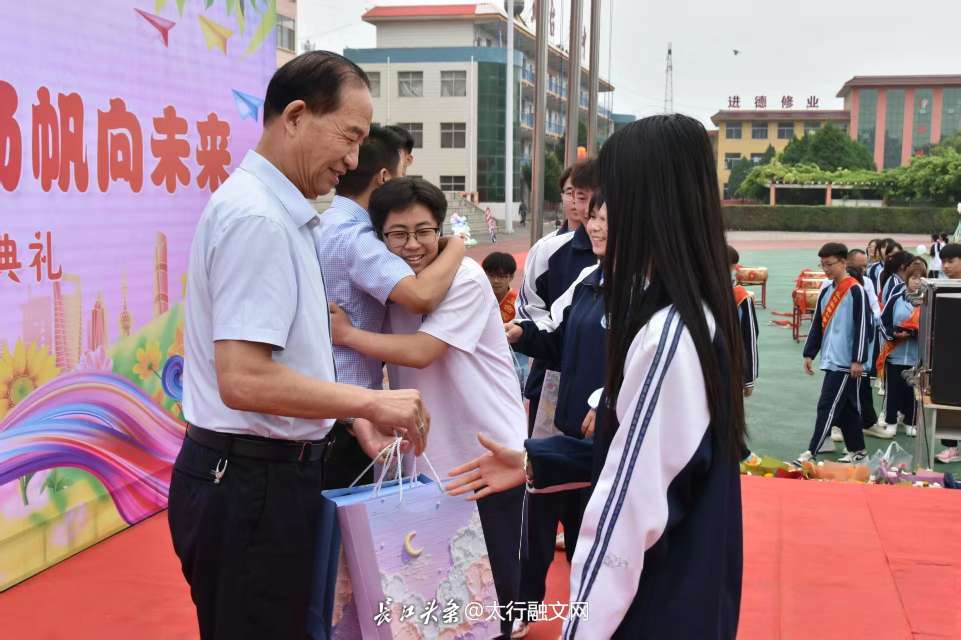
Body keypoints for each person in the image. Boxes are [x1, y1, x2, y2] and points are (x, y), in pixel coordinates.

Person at [448, 114, 746, 639]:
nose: (595, 216)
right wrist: (535, 459)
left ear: (648, 204)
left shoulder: (667, 335)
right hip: (687, 595)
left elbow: (627, 515)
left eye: (611, 198)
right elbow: (650, 457)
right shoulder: (691, 314)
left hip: (655, 607)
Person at [169, 51, 429, 640]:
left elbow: (284, 361)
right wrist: (369, 402)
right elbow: (244, 378)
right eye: (349, 137)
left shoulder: (280, 214)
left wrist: (350, 416)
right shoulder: (258, 219)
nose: (355, 160)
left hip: (260, 479)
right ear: (294, 116)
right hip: (249, 484)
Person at [328, 177, 526, 639]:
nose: (413, 245)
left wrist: (348, 334)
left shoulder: (466, 277)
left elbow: (422, 351)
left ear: (440, 230)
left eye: (423, 231)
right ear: (380, 237)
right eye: (398, 234)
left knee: (489, 603)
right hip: (427, 467)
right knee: (433, 600)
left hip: (487, 458)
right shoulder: (396, 287)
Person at [316, 126, 465, 487]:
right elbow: (421, 296)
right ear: (384, 178)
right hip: (348, 415)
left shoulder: (323, 223)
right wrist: (456, 246)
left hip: (325, 405)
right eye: (402, 172)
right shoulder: (358, 238)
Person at [504, 194, 606, 636]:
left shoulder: (650, 291)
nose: (594, 225)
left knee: (596, 539)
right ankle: (523, 608)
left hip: (607, 443)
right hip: (563, 431)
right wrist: (520, 333)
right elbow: (557, 338)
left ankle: (595, 619)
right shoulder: (588, 278)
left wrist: (608, 400)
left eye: (605, 218)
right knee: (537, 519)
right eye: (593, 216)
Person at [516, 160, 598, 433]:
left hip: (604, 391)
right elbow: (531, 314)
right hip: (553, 381)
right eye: (579, 196)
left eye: (595, 197)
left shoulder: (631, 257)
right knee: (546, 455)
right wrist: (524, 333)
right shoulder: (549, 250)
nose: (587, 208)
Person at [798, 242, 871, 465]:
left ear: (843, 262)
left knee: (827, 406)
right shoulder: (826, 290)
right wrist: (809, 353)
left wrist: (858, 359)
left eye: (830, 264)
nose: (826, 269)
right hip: (831, 359)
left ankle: (811, 452)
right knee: (846, 408)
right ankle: (858, 452)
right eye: (823, 265)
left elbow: (863, 326)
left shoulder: (856, 290)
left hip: (846, 362)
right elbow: (817, 324)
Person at [873, 259, 925, 440]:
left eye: (921, 278)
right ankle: (891, 422)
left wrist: (917, 333)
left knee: (913, 392)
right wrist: (894, 334)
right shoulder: (896, 298)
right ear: (907, 279)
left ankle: (911, 423)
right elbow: (883, 322)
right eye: (914, 278)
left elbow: (932, 327)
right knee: (892, 391)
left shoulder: (927, 301)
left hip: (916, 357)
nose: (917, 282)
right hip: (894, 354)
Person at [935, 244, 961, 462]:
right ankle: (951, 447)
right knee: (948, 400)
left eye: (951, 261)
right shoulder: (941, 287)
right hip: (948, 353)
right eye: (943, 262)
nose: (945, 266)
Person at [483, 251, 519, 323]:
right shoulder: (478, 298)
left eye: (501, 276)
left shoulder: (518, 303)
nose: (496, 281)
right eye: (491, 276)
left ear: (511, 277)